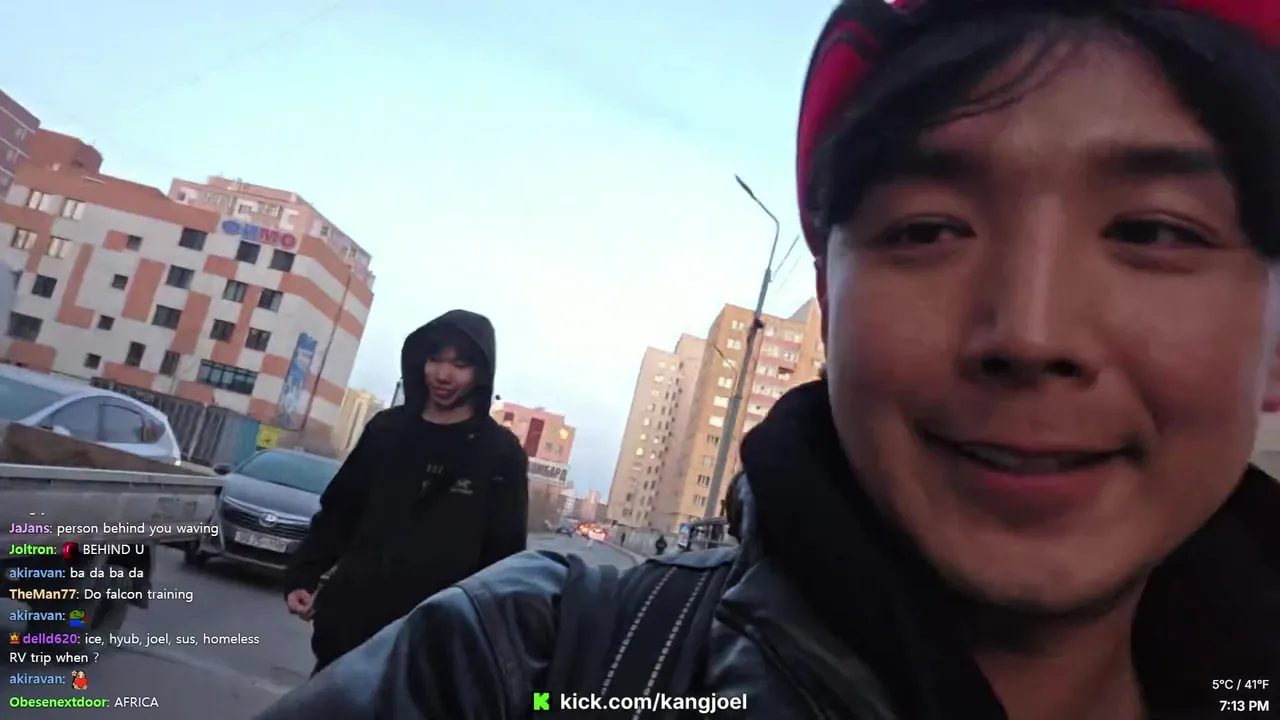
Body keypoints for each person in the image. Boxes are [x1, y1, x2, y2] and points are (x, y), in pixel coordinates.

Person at [258, 2, 1280, 718]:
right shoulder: (526, 669)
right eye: (928, 229)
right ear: (832, 308)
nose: (1030, 333)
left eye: (1153, 231)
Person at [280, 309, 528, 675]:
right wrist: (303, 575)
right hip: (347, 640)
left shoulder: (499, 453)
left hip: (434, 652)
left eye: (459, 364)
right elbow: (339, 512)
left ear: (480, 372)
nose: (443, 375)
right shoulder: (387, 430)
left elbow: (503, 561)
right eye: (434, 359)